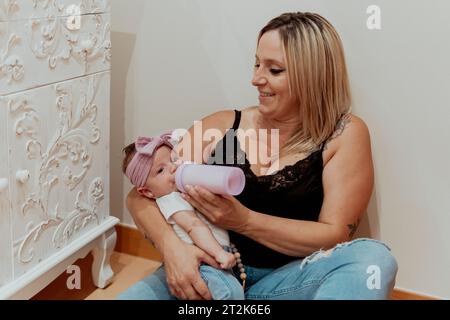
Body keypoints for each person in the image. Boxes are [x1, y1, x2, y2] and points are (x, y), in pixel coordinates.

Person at [118, 11, 398, 300]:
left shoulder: (342, 134)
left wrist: (243, 221)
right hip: (210, 273)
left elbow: (335, 234)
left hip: (289, 281)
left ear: (312, 76)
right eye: (256, 64)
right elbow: (140, 195)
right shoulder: (224, 127)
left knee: (373, 260)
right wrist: (172, 249)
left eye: (274, 70)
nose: (255, 79)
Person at [121, 133, 243, 299]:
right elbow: (193, 226)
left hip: (214, 258)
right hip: (203, 262)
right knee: (231, 292)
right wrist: (219, 253)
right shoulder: (171, 199)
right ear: (147, 191)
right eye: (161, 170)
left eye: (172, 159)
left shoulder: (184, 187)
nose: (173, 167)